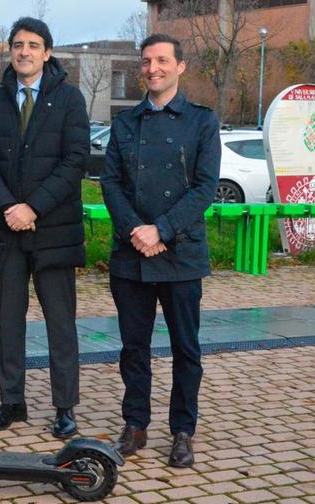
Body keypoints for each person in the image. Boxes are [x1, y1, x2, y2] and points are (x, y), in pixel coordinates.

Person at [100, 34, 221, 468]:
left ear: (180, 66)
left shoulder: (202, 121)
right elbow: (109, 182)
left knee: (185, 349)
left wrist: (163, 230)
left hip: (181, 253)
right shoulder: (125, 123)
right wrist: (136, 228)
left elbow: (205, 187)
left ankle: (183, 431)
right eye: (147, 61)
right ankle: (135, 424)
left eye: (163, 60)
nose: (153, 68)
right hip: (131, 253)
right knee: (133, 348)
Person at [0, 17, 90, 438]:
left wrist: (33, 207)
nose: (24, 51)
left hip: (53, 230)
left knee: (60, 323)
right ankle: (11, 402)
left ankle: (64, 407)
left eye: (33, 45)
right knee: (9, 321)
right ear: (10, 51)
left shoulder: (70, 99)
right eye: (18, 44)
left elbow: (75, 161)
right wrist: (8, 207)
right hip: (7, 232)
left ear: (47, 52)